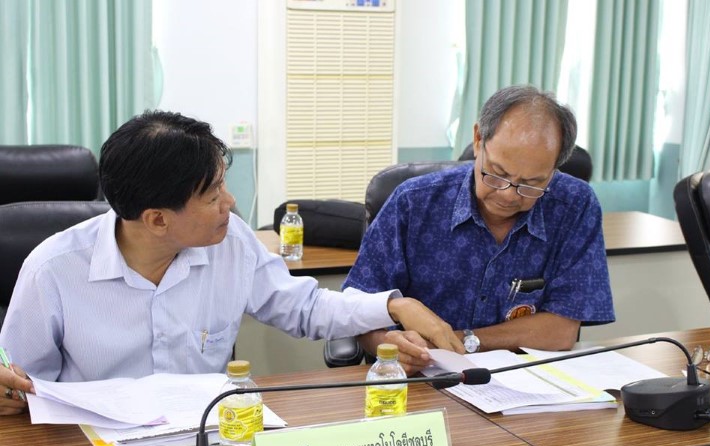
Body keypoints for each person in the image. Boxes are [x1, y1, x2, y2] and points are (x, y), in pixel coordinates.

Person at [0, 110, 463, 415]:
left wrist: (393, 306)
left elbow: (304, 308)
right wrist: (7, 394)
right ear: (157, 219)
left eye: (224, 183)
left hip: (207, 438)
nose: (231, 202)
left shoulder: (231, 241)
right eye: (212, 194)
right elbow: (18, 380)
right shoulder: (53, 270)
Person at [346, 85, 615, 373]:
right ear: (478, 140)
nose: (509, 195)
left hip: (524, 379)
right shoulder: (413, 202)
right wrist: (390, 346)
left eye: (532, 183)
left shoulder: (574, 205)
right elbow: (357, 308)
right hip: (418, 377)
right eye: (498, 174)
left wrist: (463, 341)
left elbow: (561, 330)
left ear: (554, 169)